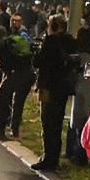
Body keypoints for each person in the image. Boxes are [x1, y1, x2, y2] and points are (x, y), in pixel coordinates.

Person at [32, 14, 75, 171]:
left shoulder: (50, 41)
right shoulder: (71, 41)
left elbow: (38, 61)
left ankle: (48, 158)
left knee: (48, 123)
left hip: (48, 86)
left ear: (54, 27)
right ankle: (54, 157)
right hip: (63, 88)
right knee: (57, 123)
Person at [0, 15, 33, 140]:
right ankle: (14, 130)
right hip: (29, 74)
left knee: (1, 99)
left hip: (16, 74)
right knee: (17, 102)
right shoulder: (13, 41)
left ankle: (0, 130)